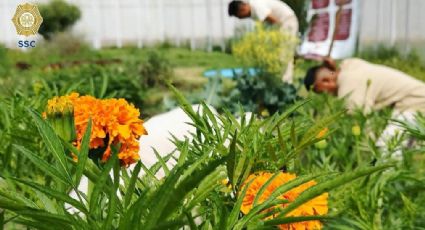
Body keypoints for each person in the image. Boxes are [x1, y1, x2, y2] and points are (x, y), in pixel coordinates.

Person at [304, 57, 425, 159]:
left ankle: (389, 185)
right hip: (414, 98)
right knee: (409, 152)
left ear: (326, 81)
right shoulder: (349, 67)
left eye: (323, 92)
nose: (329, 95)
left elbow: (360, 122)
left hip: (414, 101)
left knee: (387, 148)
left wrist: (366, 154)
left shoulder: (349, 86)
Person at [228, 0, 299, 83]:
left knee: (285, 54)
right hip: (282, 23)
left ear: (242, 9)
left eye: (239, 16)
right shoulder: (252, 10)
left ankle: (286, 82)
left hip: (287, 21)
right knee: (277, 55)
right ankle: (278, 79)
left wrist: (274, 38)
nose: (240, 18)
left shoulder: (256, 6)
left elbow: (275, 21)